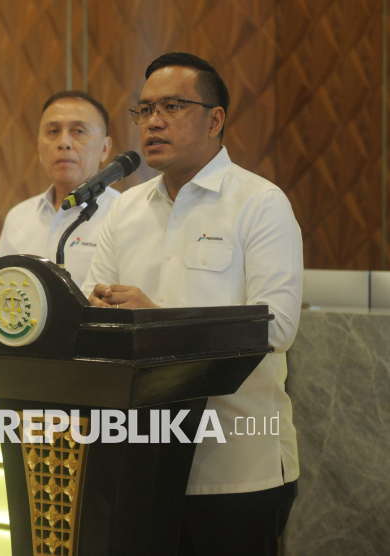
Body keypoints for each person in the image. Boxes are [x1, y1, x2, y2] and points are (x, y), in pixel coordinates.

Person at [82, 52, 302, 555]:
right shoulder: (126, 209)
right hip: (140, 463)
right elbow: (97, 314)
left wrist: (157, 320)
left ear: (215, 119)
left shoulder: (259, 203)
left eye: (173, 106)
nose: (153, 121)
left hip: (235, 466)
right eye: (144, 110)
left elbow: (278, 326)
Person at [0, 90, 118, 284]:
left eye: (78, 131)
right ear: (39, 148)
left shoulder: (123, 214)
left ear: (105, 148)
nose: (64, 143)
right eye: (53, 132)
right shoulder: (18, 217)